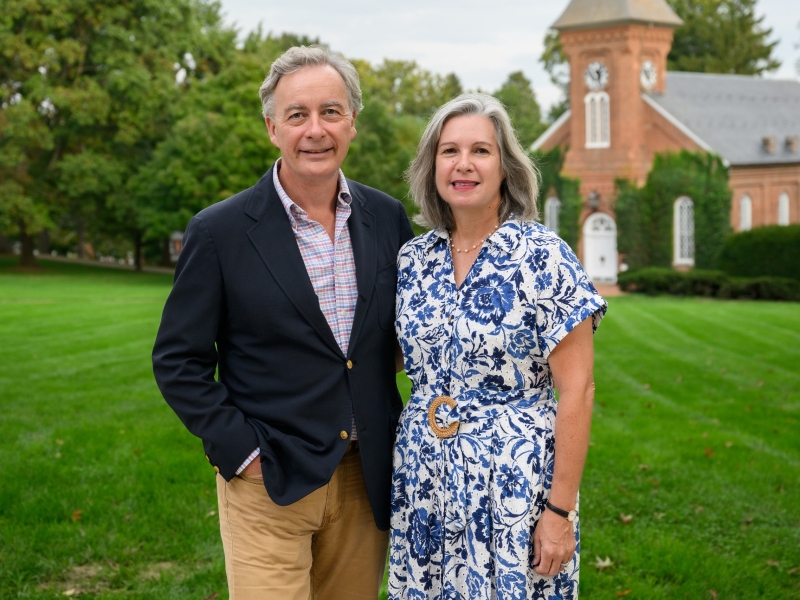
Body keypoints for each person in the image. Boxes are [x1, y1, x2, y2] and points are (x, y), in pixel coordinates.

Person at [152, 46, 414, 600]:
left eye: (330, 112)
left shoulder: (387, 217)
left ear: (352, 123)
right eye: (297, 115)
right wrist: (241, 453)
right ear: (273, 127)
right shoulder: (218, 232)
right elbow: (178, 361)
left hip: (365, 476)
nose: (315, 130)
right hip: (267, 477)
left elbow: (404, 334)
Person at [388, 93, 607, 600]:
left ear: (506, 167)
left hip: (514, 483)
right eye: (449, 151)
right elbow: (397, 357)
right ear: (431, 166)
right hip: (425, 480)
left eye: (480, 151)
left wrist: (559, 512)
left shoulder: (543, 256)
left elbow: (577, 390)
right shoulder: (412, 260)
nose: (463, 164)